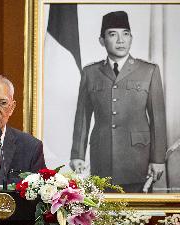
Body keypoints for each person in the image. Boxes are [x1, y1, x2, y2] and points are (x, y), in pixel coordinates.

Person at [70, 11, 167, 193]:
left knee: (136, 216)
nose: (120, 40)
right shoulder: (90, 73)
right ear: (102, 40)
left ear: (131, 38)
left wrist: (158, 159)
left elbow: (158, 119)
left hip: (138, 158)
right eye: (113, 34)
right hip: (102, 157)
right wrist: (77, 154)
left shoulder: (149, 71)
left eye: (125, 34)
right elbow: (82, 117)